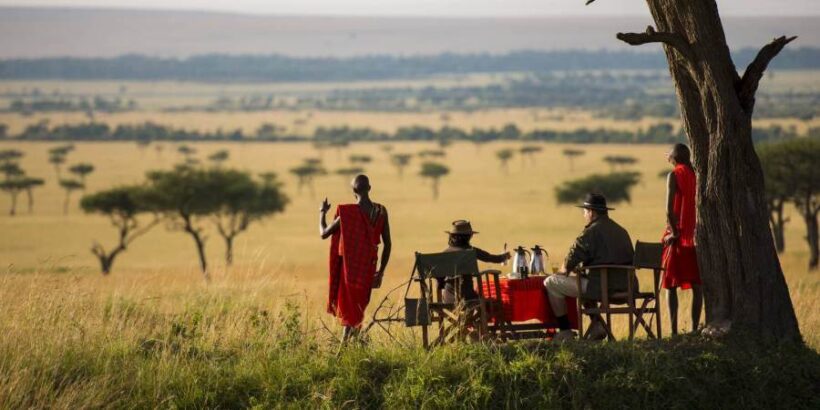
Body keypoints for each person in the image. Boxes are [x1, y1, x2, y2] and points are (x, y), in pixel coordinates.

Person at [544, 193, 634, 341]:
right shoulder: (622, 231)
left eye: (584, 211)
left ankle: (565, 331)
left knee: (551, 283)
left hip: (602, 288)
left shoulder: (591, 231)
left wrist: (562, 271)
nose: (584, 215)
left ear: (591, 212)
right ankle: (597, 325)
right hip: (627, 286)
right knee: (584, 279)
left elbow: (570, 259)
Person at [319, 174, 391, 342]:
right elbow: (388, 244)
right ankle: (357, 342)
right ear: (369, 188)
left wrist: (322, 212)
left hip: (350, 271)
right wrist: (380, 272)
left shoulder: (347, 213)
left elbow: (323, 233)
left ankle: (344, 345)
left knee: (353, 308)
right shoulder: (381, 211)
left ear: (353, 191)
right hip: (369, 268)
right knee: (358, 307)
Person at [662, 143, 703, 335]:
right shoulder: (697, 174)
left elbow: (668, 210)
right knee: (697, 285)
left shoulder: (674, 175)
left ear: (674, 158)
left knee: (670, 284)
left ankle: (674, 332)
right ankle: (694, 329)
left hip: (679, 237)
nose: (667, 157)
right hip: (696, 237)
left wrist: (674, 233)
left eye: (669, 154)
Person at [441, 220, 510, 303]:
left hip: (448, 298)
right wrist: (504, 257)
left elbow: (439, 278)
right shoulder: (471, 251)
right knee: (490, 303)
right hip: (468, 297)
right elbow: (490, 258)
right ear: (469, 236)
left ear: (452, 236)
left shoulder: (444, 253)